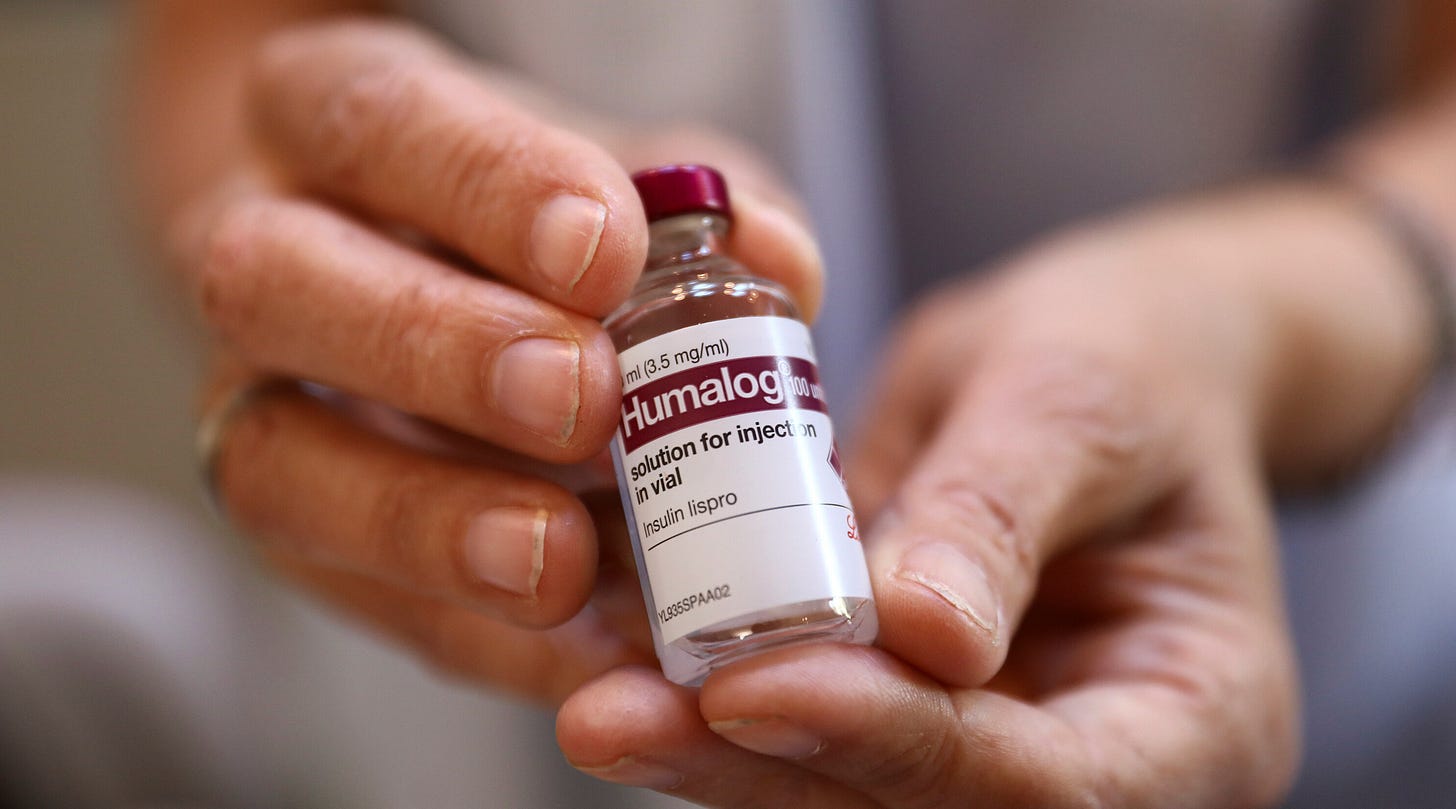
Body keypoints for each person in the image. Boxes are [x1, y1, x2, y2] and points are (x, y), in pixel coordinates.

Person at [126, 2, 1456, 807]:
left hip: (1295, 634)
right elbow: (228, 43)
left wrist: (1259, 310)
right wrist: (295, 247)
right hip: (504, 682)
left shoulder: (741, 308)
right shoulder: (679, 319)